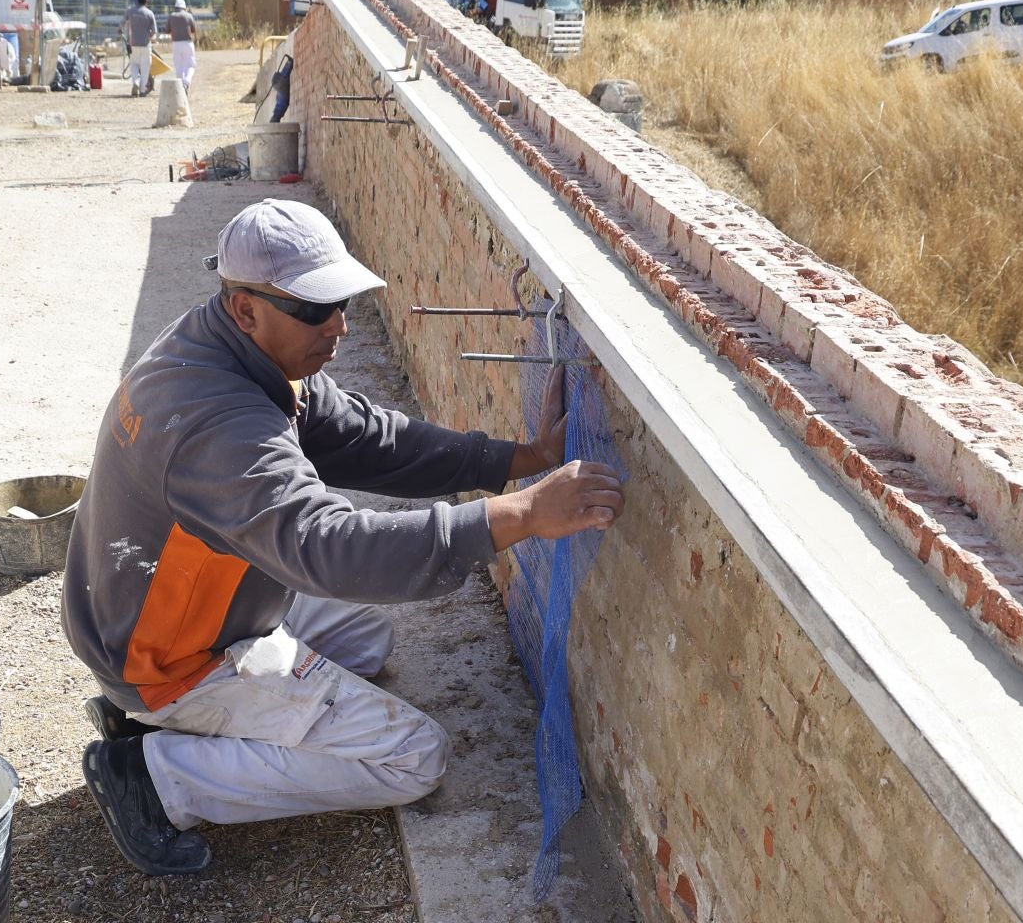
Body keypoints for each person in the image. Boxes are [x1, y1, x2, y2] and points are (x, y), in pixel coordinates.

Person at [61, 199, 624, 875]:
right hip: (166, 656)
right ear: (246, 308)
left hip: (161, 610)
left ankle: (162, 722)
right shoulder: (216, 424)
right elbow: (327, 548)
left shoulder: (232, 349)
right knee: (414, 757)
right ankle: (157, 776)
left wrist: (521, 459)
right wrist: (522, 515)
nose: (339, 325)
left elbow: (364, 437)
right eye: (315, 309)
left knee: (366, 640)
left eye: (341, 302)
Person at [123, 0, 157, 97]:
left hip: (133, 43)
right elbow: (154, 31)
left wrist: (121, 31)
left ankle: (135, 82)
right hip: (145, 44)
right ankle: (142, 90)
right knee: (145, 67)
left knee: (134, 64)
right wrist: (149, 37)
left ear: (137, 0)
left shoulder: (130, 11)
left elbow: (123, 22)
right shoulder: (149, 13)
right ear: (146, 1)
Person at [167, 0, 197, 89]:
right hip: (188, 43)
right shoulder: (189, 16)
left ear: (175, 7)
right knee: (191, 65)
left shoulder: (171, 16)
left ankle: (181, 86)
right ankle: (187, 81)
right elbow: (194, 30)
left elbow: (167, 30)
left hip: (176, 43)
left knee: (179, 65)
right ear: (184, 7)